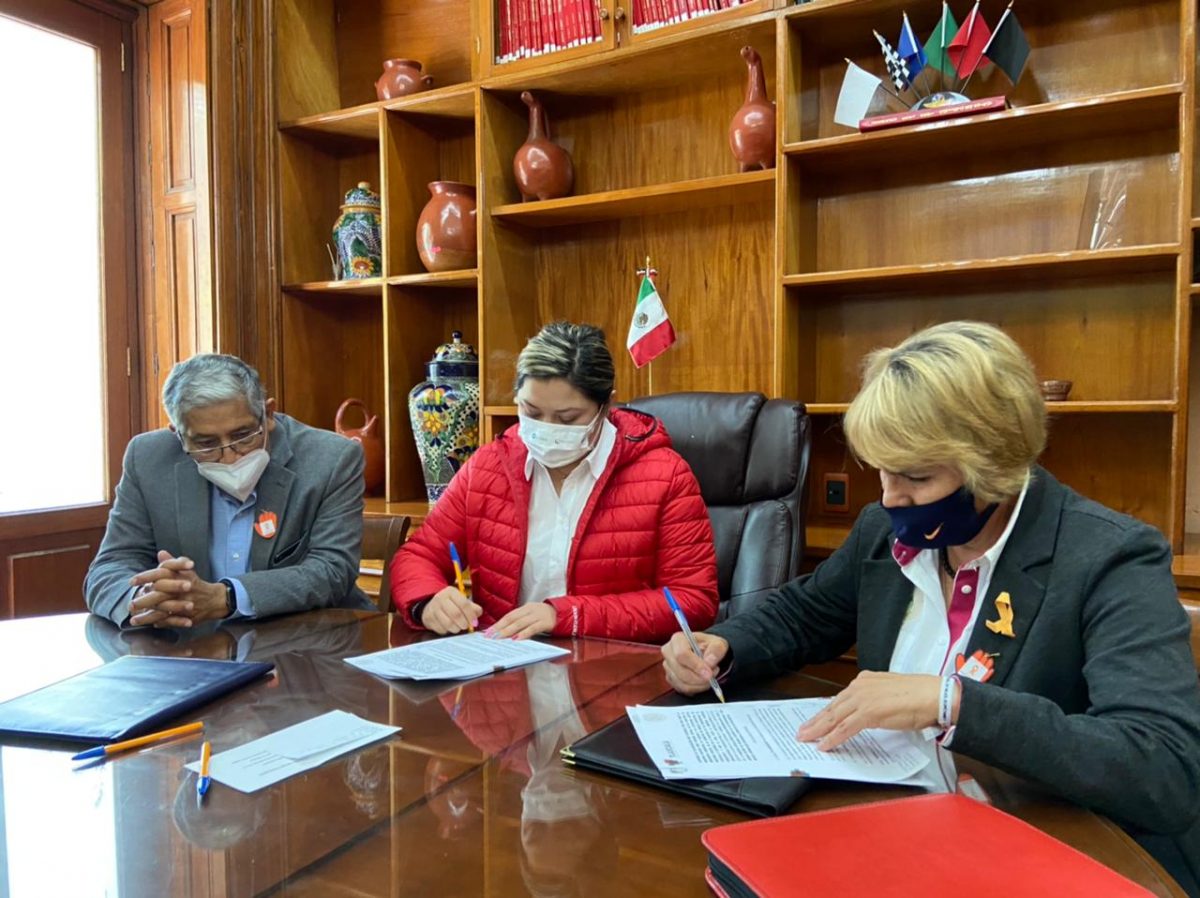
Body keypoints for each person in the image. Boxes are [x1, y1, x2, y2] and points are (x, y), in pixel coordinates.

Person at [661, 321, 1200, 892]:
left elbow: (1162, 767)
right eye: (882, 471)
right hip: (896, 832)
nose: (890, 498)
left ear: (992, 461)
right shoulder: (882, 531)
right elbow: (805, 615)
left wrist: (950, 702)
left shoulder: (1109, 557)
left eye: (915, 476)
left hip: (1043, 851)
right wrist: (724, 646)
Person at [391, 321, 718, 642]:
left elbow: (694, 600)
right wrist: (427, 600)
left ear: (606, 407)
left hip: (611, 674)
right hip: (500, 670)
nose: (546, 428)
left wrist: (568, 616)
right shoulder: (489, 466)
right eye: (531, 412)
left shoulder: (665, 476)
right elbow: (419, 555)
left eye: (567, 418)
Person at [85, 353, 373, 628]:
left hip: (307, 645)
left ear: (268, 414)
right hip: (192, 649)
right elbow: (109, 567)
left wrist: (226, 597)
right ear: (179, 435)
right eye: (207, 444)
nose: (230, 457)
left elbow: (332, 571)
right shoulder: (147, 457)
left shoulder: (331, 458)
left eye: (242, 436)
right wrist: (148, 597)